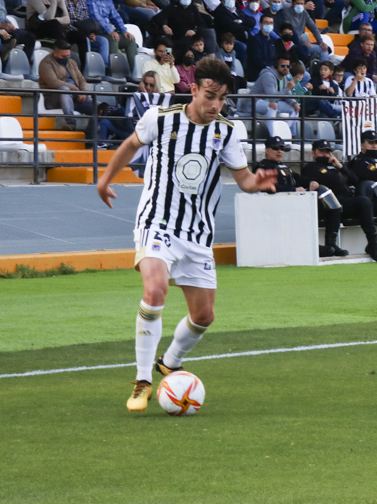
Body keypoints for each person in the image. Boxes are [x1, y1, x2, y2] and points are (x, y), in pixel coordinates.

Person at [96, 58, 278, 412]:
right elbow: (131, 144)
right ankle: (143, 380)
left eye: (222, 98)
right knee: (155, 288)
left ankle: (171, 362)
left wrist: (256, 184)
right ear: (193, 89)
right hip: (157, 222)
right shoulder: (160, 119)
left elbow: (242, 178)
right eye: (210, 95)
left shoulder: (225, 131)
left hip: (197, 234)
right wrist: (105, 178)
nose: (215, 105)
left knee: (204, 316)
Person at [299, 139, 377, 263]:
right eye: (322, 151)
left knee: (365, 202)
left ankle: (373, 245)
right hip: (328, 204)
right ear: (314, 153)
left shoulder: (335, 167)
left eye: (327, 152)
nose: (325, 154)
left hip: (344, 201)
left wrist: (340, 166)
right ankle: (331, 244)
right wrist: (340, 175)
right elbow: (333, 181)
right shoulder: (311, 167)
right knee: (362, 201)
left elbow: (355, 179)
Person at [38, 40, 92, 130]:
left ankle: (91, 134)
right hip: (53, 98)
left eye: (68, 55)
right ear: (55, 53)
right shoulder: (46, 63)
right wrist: (76, 90)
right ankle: (71, 123)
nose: (66, 58)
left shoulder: (71, 62)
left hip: (74, 97)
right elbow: (53, 82)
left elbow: (81, 80)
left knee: (97, 106)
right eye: (63, 56)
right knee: (64, 89)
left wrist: (84, 92)